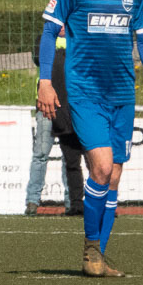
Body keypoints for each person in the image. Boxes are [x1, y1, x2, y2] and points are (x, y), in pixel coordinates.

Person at [38, 0, 143, 276]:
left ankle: (98, 254)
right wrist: (44, 81)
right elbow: (49, 31)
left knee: (114, 177)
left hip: (122, 94)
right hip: (85, 93)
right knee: (100, 168)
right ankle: (89, 247)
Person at [25, 30, 85, 216]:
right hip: (46, 107)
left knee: (71, 157)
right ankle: (32, 202)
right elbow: (40, 57)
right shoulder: (43, 37)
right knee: (41, 154)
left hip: (69, 107)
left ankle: (71, 203)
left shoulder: (78, 37)